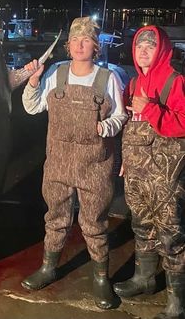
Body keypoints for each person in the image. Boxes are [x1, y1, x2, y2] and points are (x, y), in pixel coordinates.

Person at [20, 16, 127, 309]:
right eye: (75, 41)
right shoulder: (56, 73)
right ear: (68, 46)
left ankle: (102, 278)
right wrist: (32, 80)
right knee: (55, 218)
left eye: (86, 41)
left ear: (95, 47)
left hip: (95, 165)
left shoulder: (109, 78)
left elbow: (120, 116)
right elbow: (32, 107)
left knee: (94, 222)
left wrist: (105, 128)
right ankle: (48, 267)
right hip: (57, 163)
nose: (80, 45)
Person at [113, 26, 185, 319]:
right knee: (141, 226)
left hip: (166, 177)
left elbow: (182, 124)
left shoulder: (175, 80)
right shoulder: (132, 83)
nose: (143, 50)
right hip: (136, 174)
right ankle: (144, 279)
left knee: (172, 235)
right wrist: (126, 160)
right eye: (139, 45)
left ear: (162, 49)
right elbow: (131, 128)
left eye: (150, 45)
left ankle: (177, 302)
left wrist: (153, 109)